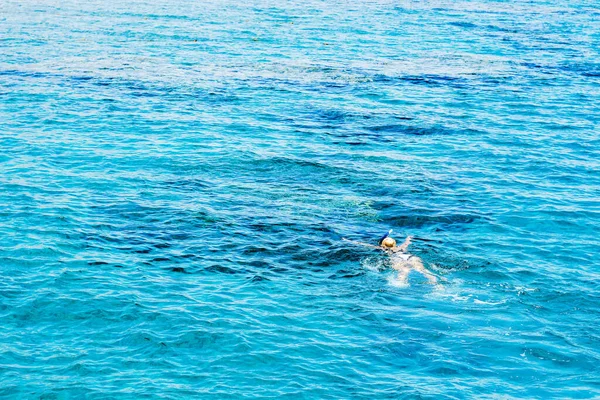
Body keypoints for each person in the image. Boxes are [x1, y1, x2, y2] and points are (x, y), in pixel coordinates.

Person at [343, 230, 438, 286]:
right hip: (410, 257)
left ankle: (401, 284)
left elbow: (365, 245)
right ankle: (436, 283)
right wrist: (409, 237)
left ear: (383, 245)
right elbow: (407, 242)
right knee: (423, 270)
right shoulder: (401, 247)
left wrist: (349, 241)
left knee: (404, 271)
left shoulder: (382, 248)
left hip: (398, 259)